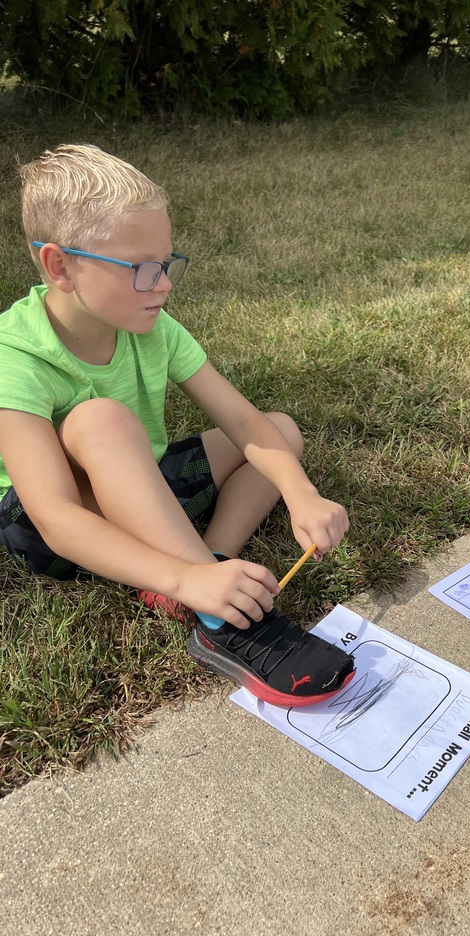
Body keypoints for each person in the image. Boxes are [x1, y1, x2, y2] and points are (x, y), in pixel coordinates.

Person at [0, 143, 355, 707]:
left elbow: (242, 420)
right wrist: (186, 579)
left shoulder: (153, 326)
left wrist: (301, 493)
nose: (162, 284)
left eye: (165, 265)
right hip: (51, 531)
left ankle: (211, 568)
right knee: (100, 418)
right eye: (141, 269)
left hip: (142, 492)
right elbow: (56, 517)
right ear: (59, 265)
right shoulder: (13, 356)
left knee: (279, 431)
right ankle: (210, 602)